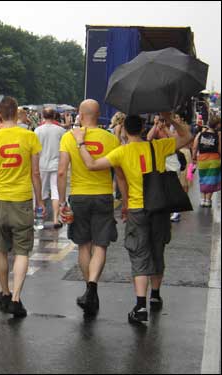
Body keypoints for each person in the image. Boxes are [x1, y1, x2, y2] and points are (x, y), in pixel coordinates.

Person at [71, 114, 192, 324]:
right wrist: (169, 118)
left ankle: (140, 305)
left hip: (137, 209)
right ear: (144, 127)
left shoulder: (121, 152)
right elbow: (188, 135)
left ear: (125, 130)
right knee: (157, 250)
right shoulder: (159, 146)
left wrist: (80, 141)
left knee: (139, 255)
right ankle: (155, 294)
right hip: (160, 208)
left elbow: (91, 164)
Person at [57, 99, 124, 316]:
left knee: (84, 245)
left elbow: (61, 171)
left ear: (79, 113)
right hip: (103, 196)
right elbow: (119, 171)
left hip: (79, 196)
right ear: (99, 114)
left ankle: (89, 291)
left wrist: (61, 201)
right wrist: (126, 199)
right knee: (101, 244)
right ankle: (93, 287)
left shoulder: (69, 137)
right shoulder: (110, 138)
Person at [0, 96, 45, 318]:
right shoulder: (30, 137)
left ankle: (5, 291)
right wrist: (40, 201)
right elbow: (35, 173)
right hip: (22, 199)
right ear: (17, 113)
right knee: (22, 251)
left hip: (0, 198)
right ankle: (17, 298)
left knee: (0, 247)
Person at [35, 107, 67, 229]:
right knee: (55, 192)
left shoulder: (37, 130)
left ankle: (40, 220)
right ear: (54, 116)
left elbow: (35, 150)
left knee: (40, 194)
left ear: (43, 116)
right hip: (56, 164)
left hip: (41, 164)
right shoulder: (61, 131)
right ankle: (55, 219)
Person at [193, 115, 221, 207]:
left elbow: (194, 147)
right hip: (214, 159)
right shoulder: (218, 135)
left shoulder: (200, 134)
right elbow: (220, 149)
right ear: (217, 125)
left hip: (202, 159)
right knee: (212, 180)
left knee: (203, 179)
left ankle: (202, 200)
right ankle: (208, 200)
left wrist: (194, 158)